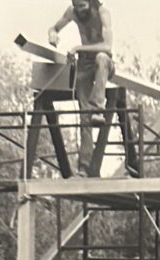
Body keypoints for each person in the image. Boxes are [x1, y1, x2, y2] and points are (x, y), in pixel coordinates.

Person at [48, 0, 114, 176]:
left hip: (104, 63)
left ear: (91, 3)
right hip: (84, 63)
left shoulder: (102, 13)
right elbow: (54, 27)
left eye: (83, 6)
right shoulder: (73, 12)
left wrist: (78, 47)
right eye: (77, 6)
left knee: (101, 57)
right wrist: (53, 34)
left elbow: (107, 47)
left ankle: (98, 109)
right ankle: (84, 167)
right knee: (84, 116)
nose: (80, 10)